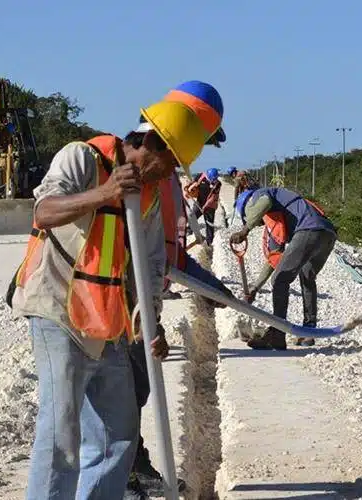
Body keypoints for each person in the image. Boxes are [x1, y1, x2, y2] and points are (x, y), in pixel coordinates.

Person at [8, 95, 214, 500]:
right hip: (58, 312)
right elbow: (44, 212)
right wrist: (105, 193)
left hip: (107, 322)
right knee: (61, 431)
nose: (170, 173)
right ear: (149, 144)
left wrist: (150, 323)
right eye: (170, 162)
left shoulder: (151, 195)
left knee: (118, 433)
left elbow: (150, 265)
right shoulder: (81, 158)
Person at [124, 80, 233, 499]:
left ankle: (132, 465)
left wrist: (216, 290)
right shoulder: (147, 167)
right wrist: (145, 311)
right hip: (123, 297)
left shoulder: (164, 173)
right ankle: (128, 475)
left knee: (137, 384)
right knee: (128, 386)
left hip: (145, 289)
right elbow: (140, 250)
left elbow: (170, 251)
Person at [230, 187, 337, 350]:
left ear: (250, 206)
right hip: (327, 233)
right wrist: (255, 287)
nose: (257, 223)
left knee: (280, 280)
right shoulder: (276, 217)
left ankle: (277, 334)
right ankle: (308, 333)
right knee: (307, 277)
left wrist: (245, 230)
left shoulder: (262, 195)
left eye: (247, 216)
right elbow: (275, 258)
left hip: (309, 230)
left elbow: (264, 203)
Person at [184, 167, 221, 245]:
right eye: (213, 179)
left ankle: (209, 242)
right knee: (192, 216)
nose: (214, 181)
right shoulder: (201, 176)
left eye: (216, 179)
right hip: (199, 202)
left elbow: (212, 198)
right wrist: (188, 188)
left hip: (210, 206)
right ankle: (189, 231)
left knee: (209, 223)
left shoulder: (218, 184)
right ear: (209, 176)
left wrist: (205, 207)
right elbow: (192, 182)